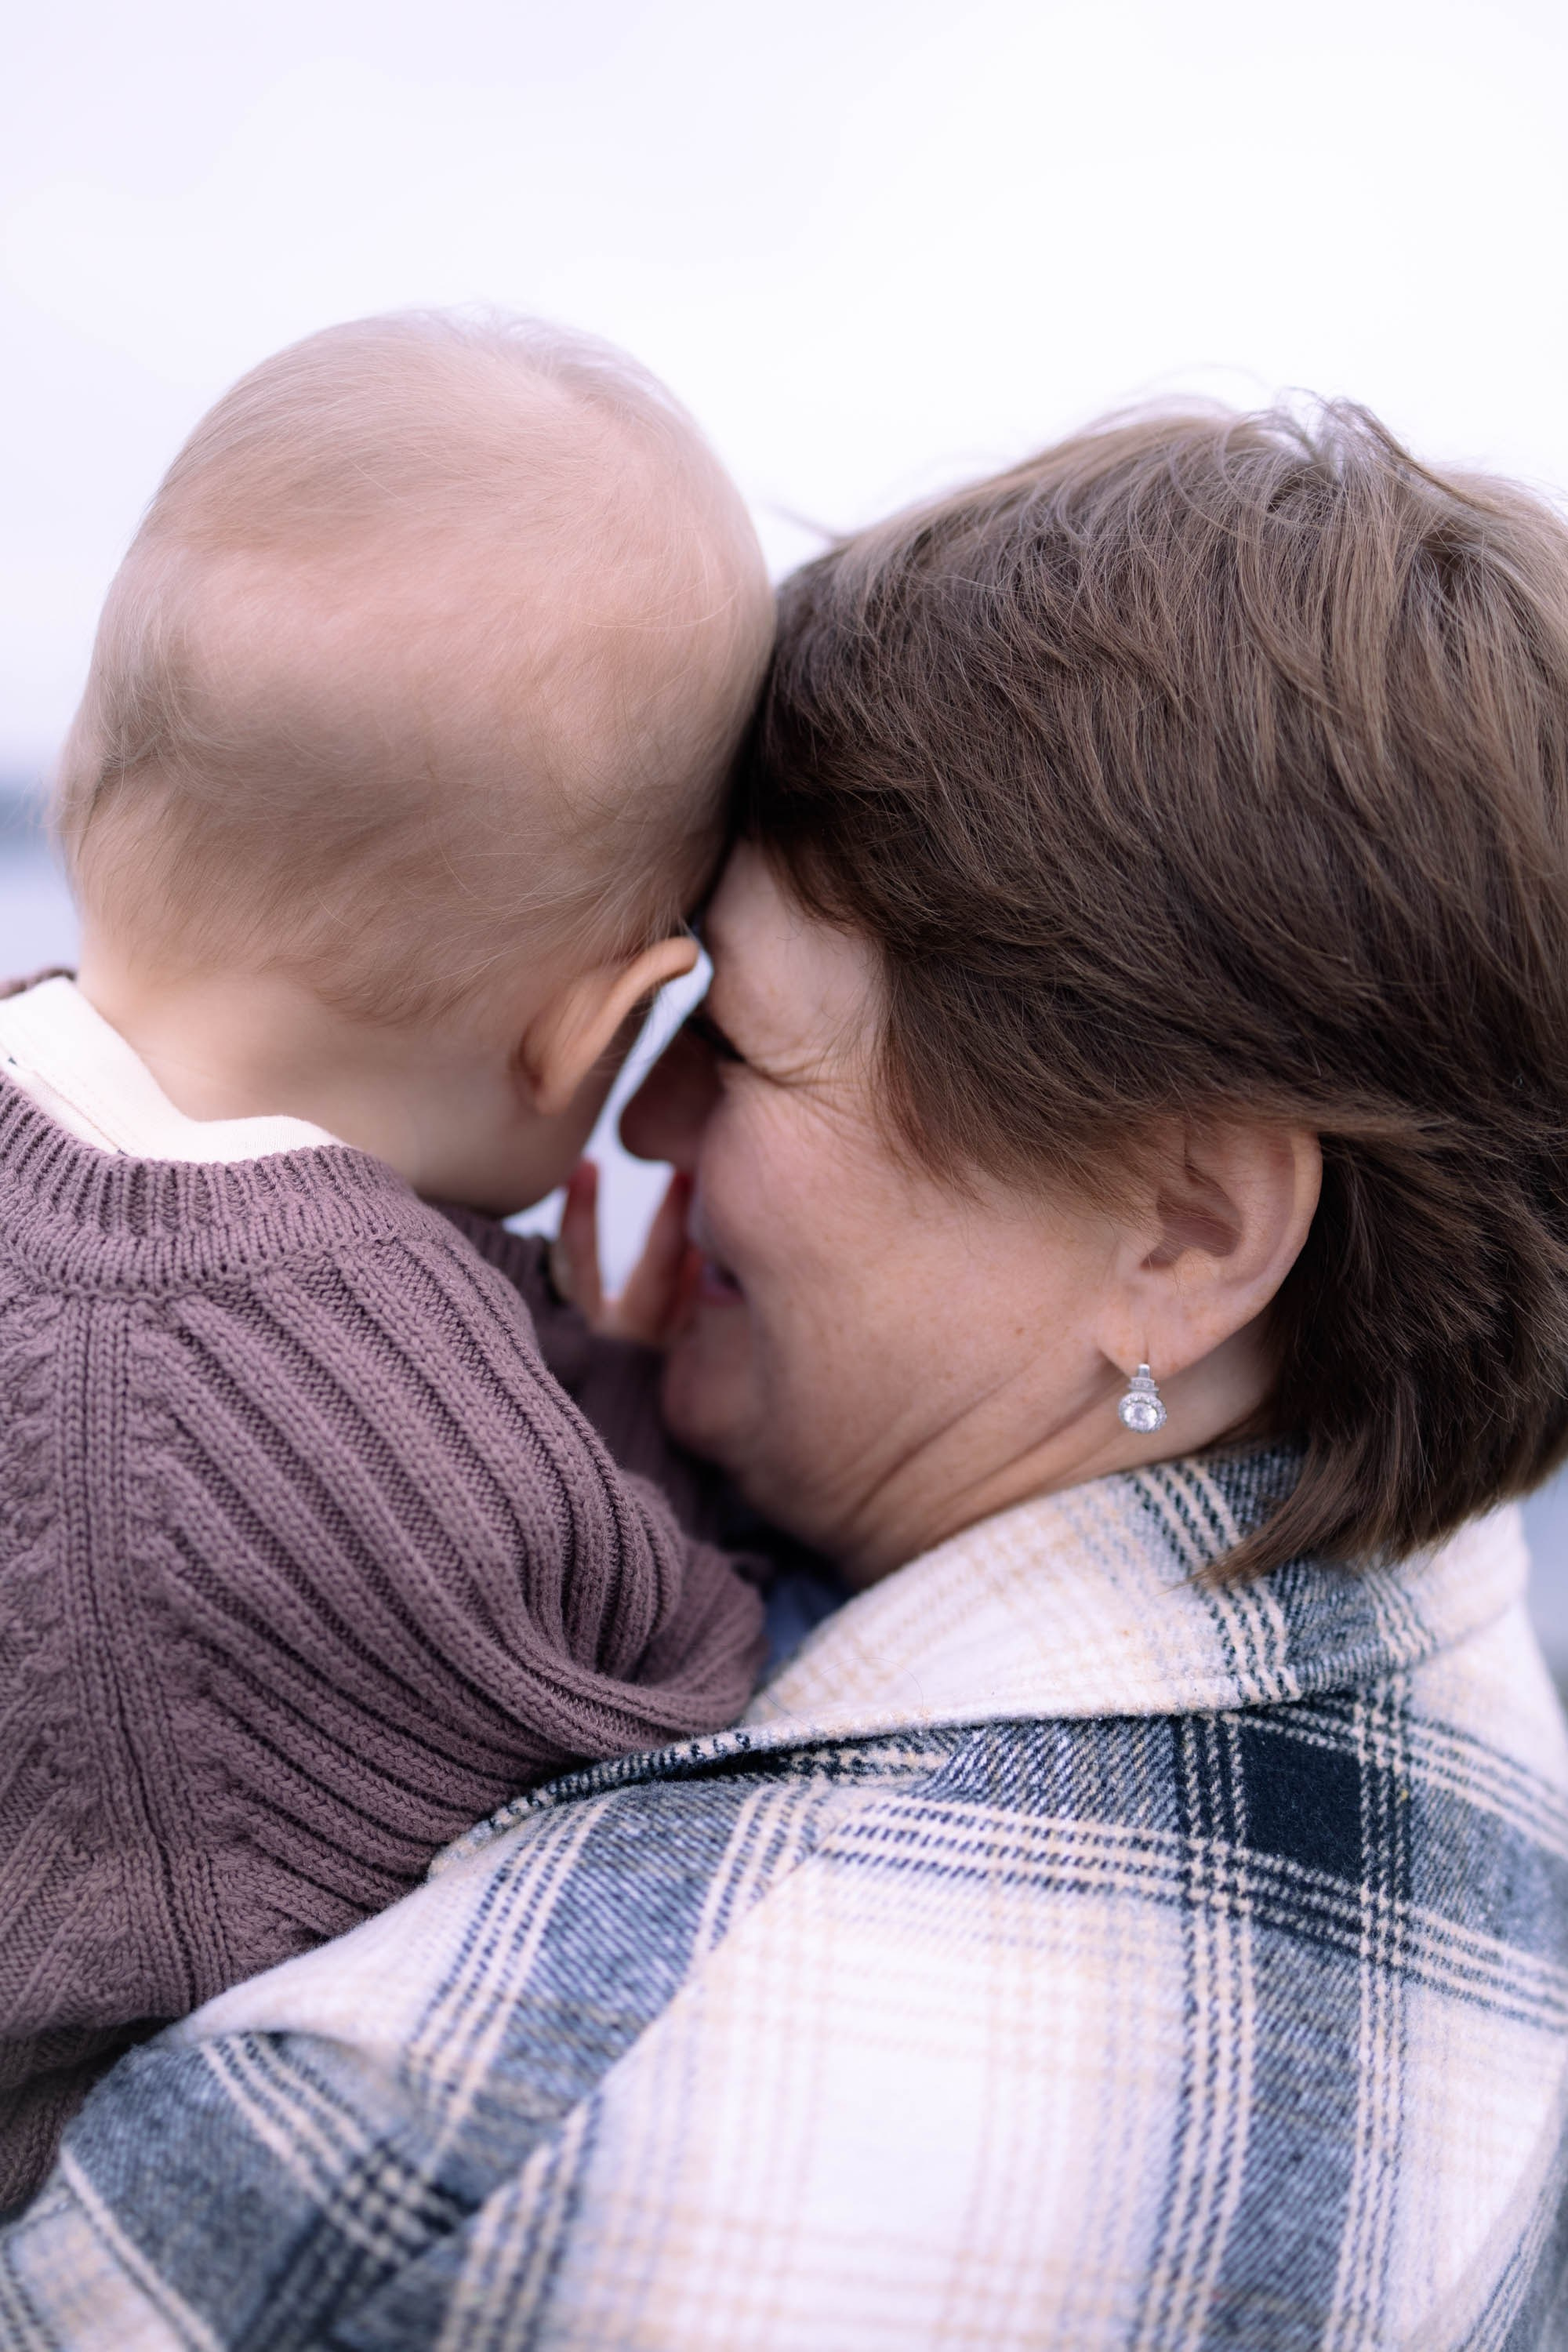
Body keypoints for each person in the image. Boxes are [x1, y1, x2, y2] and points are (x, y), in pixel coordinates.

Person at [6, 399, 1568, 2348]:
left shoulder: (483, 2137)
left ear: (1175, 1232)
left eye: (731, 1040)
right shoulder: (1443, 1657)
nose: (622, 1120)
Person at [0, 310, 776, 2209]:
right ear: (600, 1032)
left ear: (94, 782)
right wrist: (627, 1371)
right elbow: (676, 1702)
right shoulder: (416, 1441)